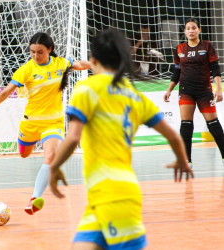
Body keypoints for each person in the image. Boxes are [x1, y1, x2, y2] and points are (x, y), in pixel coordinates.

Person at [49, 29, 194, 250]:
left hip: (112, 195)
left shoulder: (86, 89)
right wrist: (182, 161)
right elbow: (173, 135)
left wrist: (54, 167)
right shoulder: (133, 94)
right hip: (105, 196)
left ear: (93, 60)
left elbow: (72, 138)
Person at [0, 32, 90, 215]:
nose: (36, 56)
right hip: (30, 124)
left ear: (50, 50)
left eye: (40, 52)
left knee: (50, 158)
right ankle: (27, 145)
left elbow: (79, 64)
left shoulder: (61, 63)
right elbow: (4, 93)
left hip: (54, 123)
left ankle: (34, 198)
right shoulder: (26, 70)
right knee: (24, 154)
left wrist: (97, 65)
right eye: (33, 52)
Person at [163, 18, 224, 168]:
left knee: (213, 124)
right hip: (185, 91)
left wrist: (219, 88)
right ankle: (187, 160)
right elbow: (176, 72)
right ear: (184, 31)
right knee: (186, 124)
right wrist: (169, 89)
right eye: (188, 28)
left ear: (199, 30)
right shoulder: (179, 49)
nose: (191, 30)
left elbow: (215, 68)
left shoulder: (207, 46)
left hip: (204, 91)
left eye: (194, 28)